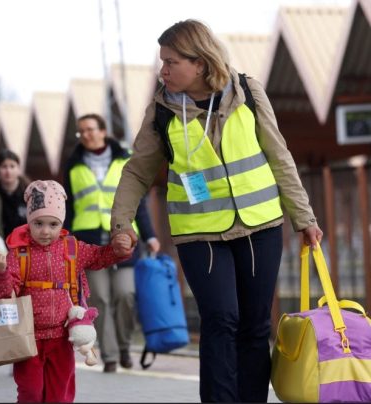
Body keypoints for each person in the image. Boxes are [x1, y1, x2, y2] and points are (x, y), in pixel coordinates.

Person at [109, 20, 323, 402]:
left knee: (255, 326)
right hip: (200, 234)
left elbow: (279, 156)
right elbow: (137, 171)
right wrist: (121, 224)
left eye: (171, 62)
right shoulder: (161, 111)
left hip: (260, 226)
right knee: (221, 319)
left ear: (200, 62)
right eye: (162, 62)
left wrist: (304, 217)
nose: (163, 71)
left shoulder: (248, 92)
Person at [0, 180, 134, 403]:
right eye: (38, 223)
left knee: (60, 395)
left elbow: (99, 257)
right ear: (29, 221)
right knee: (31, 393)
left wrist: (119, 250)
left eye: (53, 224)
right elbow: (4, 296)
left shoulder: (72, 248)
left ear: (62, 223)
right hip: (28, 339)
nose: (45, 231)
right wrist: (1, 273)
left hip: (62, 338)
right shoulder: (19, 253)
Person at [63, 113, 160, 373]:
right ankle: (111, 356)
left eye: (90, 129)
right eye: (81, 131)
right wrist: (65, 238)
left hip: (124, 238)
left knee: (126, 295)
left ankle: (125, 346)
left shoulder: (125, 159)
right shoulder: (73, 165)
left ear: (103, 131)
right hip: (88, 243)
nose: (86, 135)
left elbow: (138, 202)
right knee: (101, 300)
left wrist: (150, 235)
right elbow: (69, 208)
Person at [0, 149, 29, 240]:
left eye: (12, 166)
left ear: (18, 169)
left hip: (28, 244)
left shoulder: (30, 193)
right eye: (4, 167)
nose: (8, 171)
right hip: (2, 245)